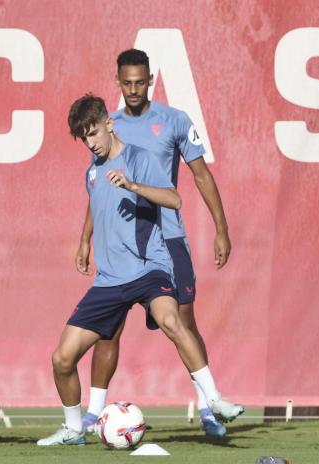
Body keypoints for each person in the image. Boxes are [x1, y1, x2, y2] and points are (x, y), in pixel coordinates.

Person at [37, 94, 242, 446]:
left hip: (149, 269)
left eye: (94, 134)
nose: (91, 143)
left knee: (171, 321)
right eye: (84, 138)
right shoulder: (93, 168)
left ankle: (214, 399)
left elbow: (174, 199)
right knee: (61, 359)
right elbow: (96, 202)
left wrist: (133, 186)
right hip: (109, 281)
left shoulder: (139, 158)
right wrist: (84, 240)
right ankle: (73, 428)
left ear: (109, 124)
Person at [79, 49, 233, 437]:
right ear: (118, 82)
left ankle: (208, 409)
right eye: (126, 82)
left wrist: (221, 228)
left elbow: (201, 175)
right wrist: (85, 239)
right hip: (121, 245)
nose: (133, 89)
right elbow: (98, 192)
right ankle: (92, 414)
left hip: (168, 236)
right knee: (108, 329)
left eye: (139, 82)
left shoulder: (174, 121)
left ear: (150, 80)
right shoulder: (106, 126)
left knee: (183, 321)